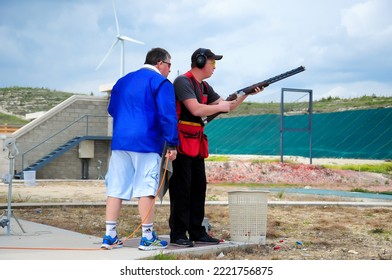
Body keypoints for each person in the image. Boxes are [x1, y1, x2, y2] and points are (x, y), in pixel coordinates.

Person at [169, 48, 262, 247]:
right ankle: (178, 233)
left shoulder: (204, 86)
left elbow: (226, 106)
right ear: (201, 61)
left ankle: (196, 231)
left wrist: (246, 94)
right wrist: (221, 106)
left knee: (198, 188)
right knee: (181, 190)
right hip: (181, 142)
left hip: (196, 141)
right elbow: (196, 109)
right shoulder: (183, 82)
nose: (214, 67)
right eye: (212, 63)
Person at [101, 47, 178, 251]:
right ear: (160, 63)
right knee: (146, 188)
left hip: (120, 141)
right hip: (147, 140)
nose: (170, 70)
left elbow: (111, 109)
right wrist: (172, 143)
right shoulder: (160, 82)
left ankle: (109, 236)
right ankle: (147, 237)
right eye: (169, 65)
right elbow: (168, 114)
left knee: (116, 187)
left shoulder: (123, 81)